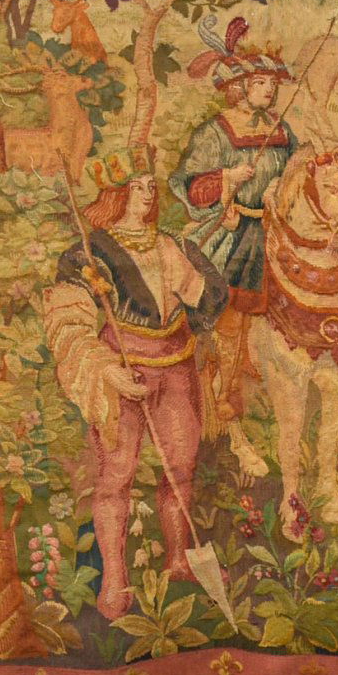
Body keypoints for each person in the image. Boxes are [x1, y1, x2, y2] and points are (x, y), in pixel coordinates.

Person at [42, 147, 227, 619]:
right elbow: (68, 325)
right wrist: (107, 370)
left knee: (180, 467)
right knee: (117, 475)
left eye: (150, 186)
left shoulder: (172, 245)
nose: (147, 194)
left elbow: (208, 300)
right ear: (116, 194)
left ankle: (178, 558)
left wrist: (195, 273)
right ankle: (115, 579)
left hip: (177, 366)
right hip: (123, 371)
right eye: (136, 187)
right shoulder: (89, 255)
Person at [170, 15, 297, 476]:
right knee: (227, 315)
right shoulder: (216, 132)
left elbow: (297, 171)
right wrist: (226, 178)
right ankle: (227, 409)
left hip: (274, 227)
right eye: (261, 83)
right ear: (239, 88)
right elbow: (186, 183)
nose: (270, 91)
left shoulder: (281, 130)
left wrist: (282, 187)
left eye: (272, 84)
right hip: (232, 230)